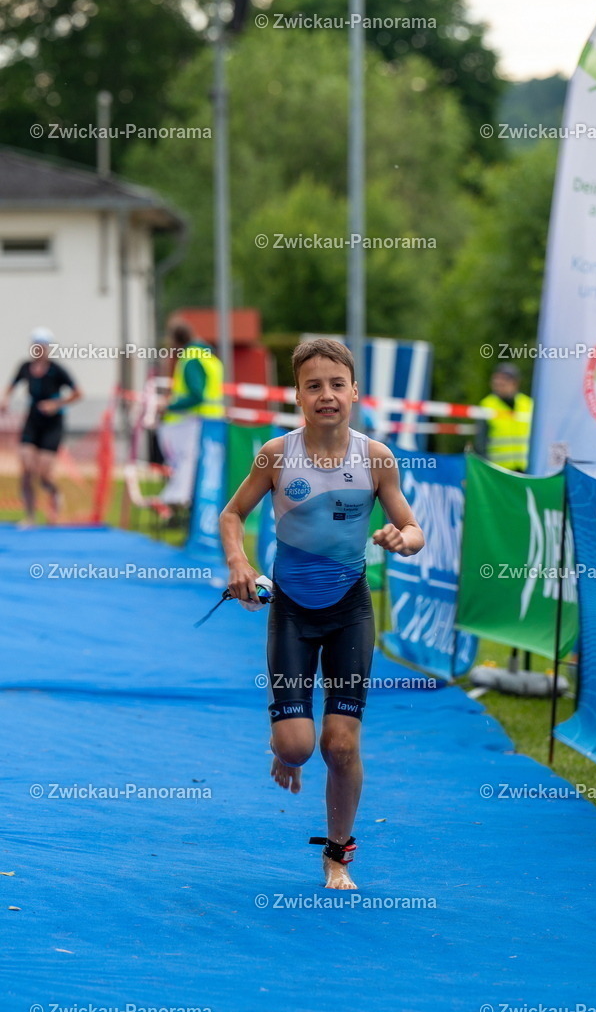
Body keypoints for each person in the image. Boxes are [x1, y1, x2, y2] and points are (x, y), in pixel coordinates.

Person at [219, 338, 424, 890]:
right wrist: (239, 562)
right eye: (314, 386)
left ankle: (337, 852)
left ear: (355, 391)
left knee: (340, 743)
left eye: (337, 384)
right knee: (297, 747)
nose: (326, 395)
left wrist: (401, 537)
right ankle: (283, 743)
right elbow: (232, 514)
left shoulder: (376, 458)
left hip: (350, 610)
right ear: (298, 395)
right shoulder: (277, 455)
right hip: (290, 610)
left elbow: (414, 527)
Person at [0, 328, 82, 526]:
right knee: (26, 468)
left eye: (43, 346)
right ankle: (29, 516)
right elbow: (13, 384)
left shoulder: (57, 370)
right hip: (32, 421)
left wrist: (56, 404)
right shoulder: (25, 367)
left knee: (44, 473)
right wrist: (6, 399)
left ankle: (54, 494)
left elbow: (78, 393)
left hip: (52, 424)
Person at [157, 324, 224, 509]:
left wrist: (169, 405)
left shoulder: (191, 358)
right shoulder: (210, 357)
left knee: (185, 467)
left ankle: (178, 505)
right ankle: (188, 506)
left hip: (192, 422)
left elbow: (196, 395)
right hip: (212, 421)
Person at [475, 362, 533, 472]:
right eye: (496, 381)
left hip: (525, 469)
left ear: (514, 383)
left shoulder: (528, 404)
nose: (498, 384)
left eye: (503, 381)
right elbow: (481, 443)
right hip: (498, 470)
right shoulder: (487, 405)